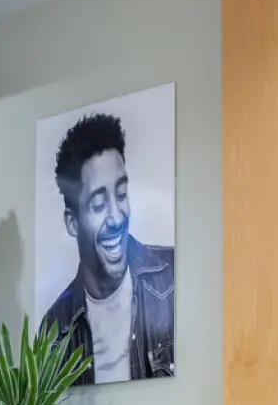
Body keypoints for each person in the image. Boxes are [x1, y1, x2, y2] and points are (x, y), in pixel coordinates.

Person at [35, 112, 174, 383]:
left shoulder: (174, 278)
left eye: (121, 194)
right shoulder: (54, 331)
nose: (117, 217)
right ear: (72, 222)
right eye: (98, 204)